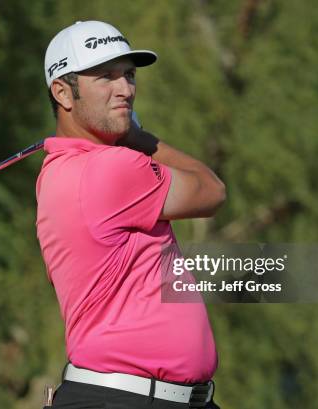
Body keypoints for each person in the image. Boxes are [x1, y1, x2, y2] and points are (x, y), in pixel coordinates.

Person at [36, 20, 226, 409]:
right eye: (105, 77)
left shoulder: (56, 172)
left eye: (128, 75)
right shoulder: (112, 169)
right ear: (62, 93)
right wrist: (141, 138)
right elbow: (212, 191)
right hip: (130, 398)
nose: (125, 89)